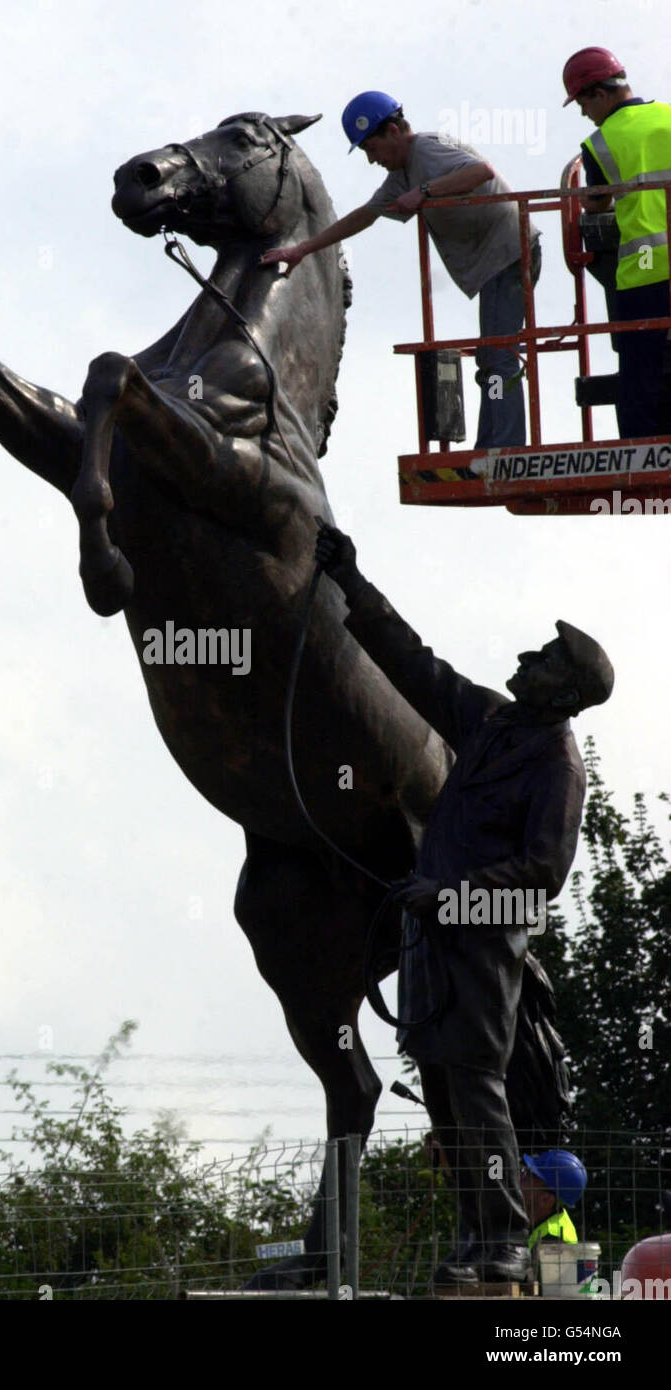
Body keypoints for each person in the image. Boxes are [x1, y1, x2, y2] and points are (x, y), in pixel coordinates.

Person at [315, 522, 613, 1285]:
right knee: (444, 1092)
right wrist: (351, 580)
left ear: (567, 692)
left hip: (481, 941)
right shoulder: (489, 721)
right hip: (431, 936)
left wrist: (449, 895)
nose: (526, 658)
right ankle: (476, 1237)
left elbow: (543, 870)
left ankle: (504, 1238)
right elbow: (416, 667)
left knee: (477, 1086)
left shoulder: (558, 764)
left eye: (545, 659)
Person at [259, 91, 541, 449]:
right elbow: (365, 215)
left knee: (498, 354)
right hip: (494, 262)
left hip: (510, 253)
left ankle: (505, 447)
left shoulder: (425, 148)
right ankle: (494, 444)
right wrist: (302, 249)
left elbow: (480, 172)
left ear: (393, 130)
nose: (372, 160)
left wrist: (424, 191)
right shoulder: (402, 174)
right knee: (492, 355)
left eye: (372, 149)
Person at [564, 47, 671, 438]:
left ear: (599, 94)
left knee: (639, 367)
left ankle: (640, 452)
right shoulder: (669, 115)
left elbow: (598, 201)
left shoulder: (600, 143)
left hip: (645, 267)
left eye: (581, 103)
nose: (583, 113)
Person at [520, 1149, 587, 1250]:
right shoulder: (537, 1224)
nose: (520, 1177)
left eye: (528, 1176)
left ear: (546, 1200)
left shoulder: (553, 1242)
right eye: (524, 1171)